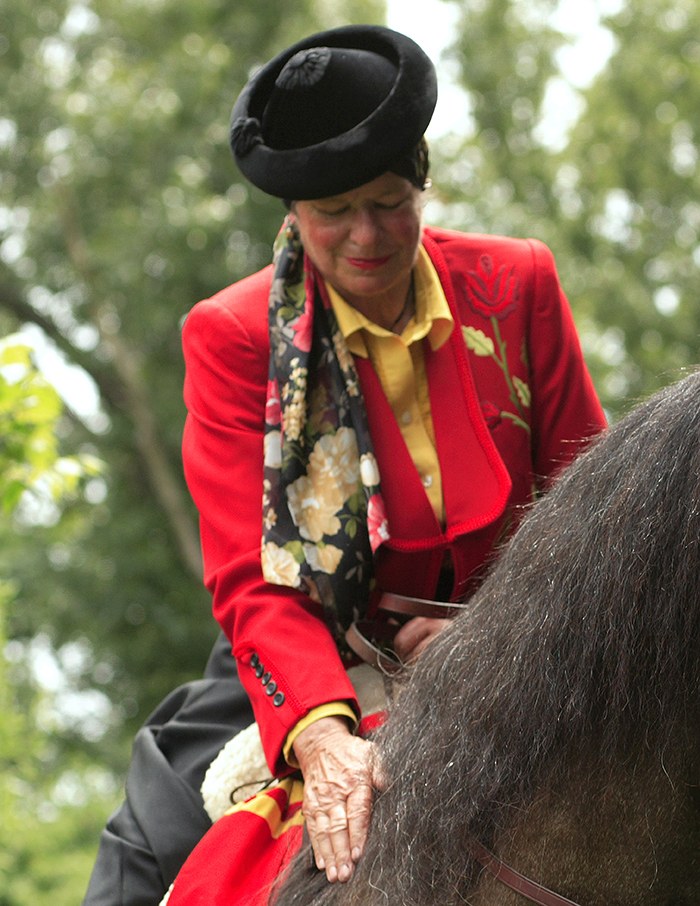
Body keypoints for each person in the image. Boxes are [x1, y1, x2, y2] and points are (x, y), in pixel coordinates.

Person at [82, 24, 606, 906]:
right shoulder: (234, 334)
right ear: (294, 215)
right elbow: (253, 581)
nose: (367, 235)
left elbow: (586, 513)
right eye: (334, 213)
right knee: (152, 857)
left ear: (422, 179)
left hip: (517, 636)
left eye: (390, 200)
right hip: (314, 636)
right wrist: (324, 740)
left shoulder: (519, 285)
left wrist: (499, 640)